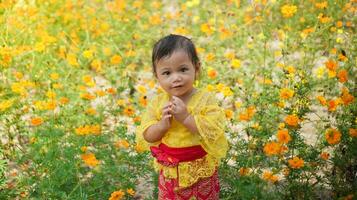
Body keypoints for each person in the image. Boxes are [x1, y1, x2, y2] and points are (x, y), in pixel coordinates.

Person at [136, 34, 228, 200]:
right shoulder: (158, 103)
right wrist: (161, 126)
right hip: (171, 171)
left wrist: (186, 118)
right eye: (167, 73)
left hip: (200, 169)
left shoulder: (205, 99)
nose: (176, 78)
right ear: (157, 76)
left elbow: (212, 130)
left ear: (197, 68)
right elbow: (147, 135)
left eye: (183, 70)